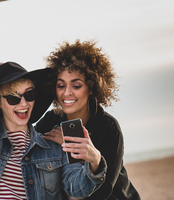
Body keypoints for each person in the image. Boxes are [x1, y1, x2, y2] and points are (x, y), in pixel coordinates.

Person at [0, 61, 107, 200]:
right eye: (13, 97)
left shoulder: (53, 148)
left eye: (29, 95)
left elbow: (77, 189)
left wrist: (95, 162)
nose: (24, 104)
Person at [35, 40, 141, 200]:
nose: (66, 93)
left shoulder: (108, 127)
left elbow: (103, 192)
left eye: (76, 86)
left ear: (91, 87)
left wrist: (71, 147)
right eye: (61, 85)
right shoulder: (51, 121)